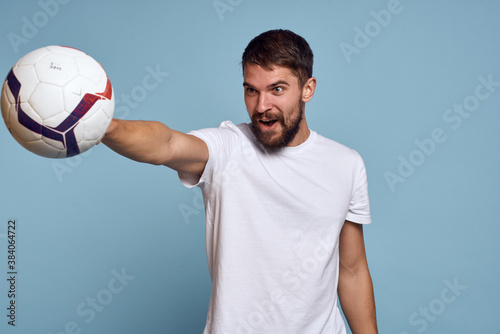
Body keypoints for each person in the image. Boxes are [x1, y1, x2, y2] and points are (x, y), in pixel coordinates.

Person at [103, 29, 378, 334]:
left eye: (277, 89)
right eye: (251, 90)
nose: (261, 106)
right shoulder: (228, 149)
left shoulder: (346, 164)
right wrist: (101, 126)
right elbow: (166, 144)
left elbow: (352, 270)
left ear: (307, 89)